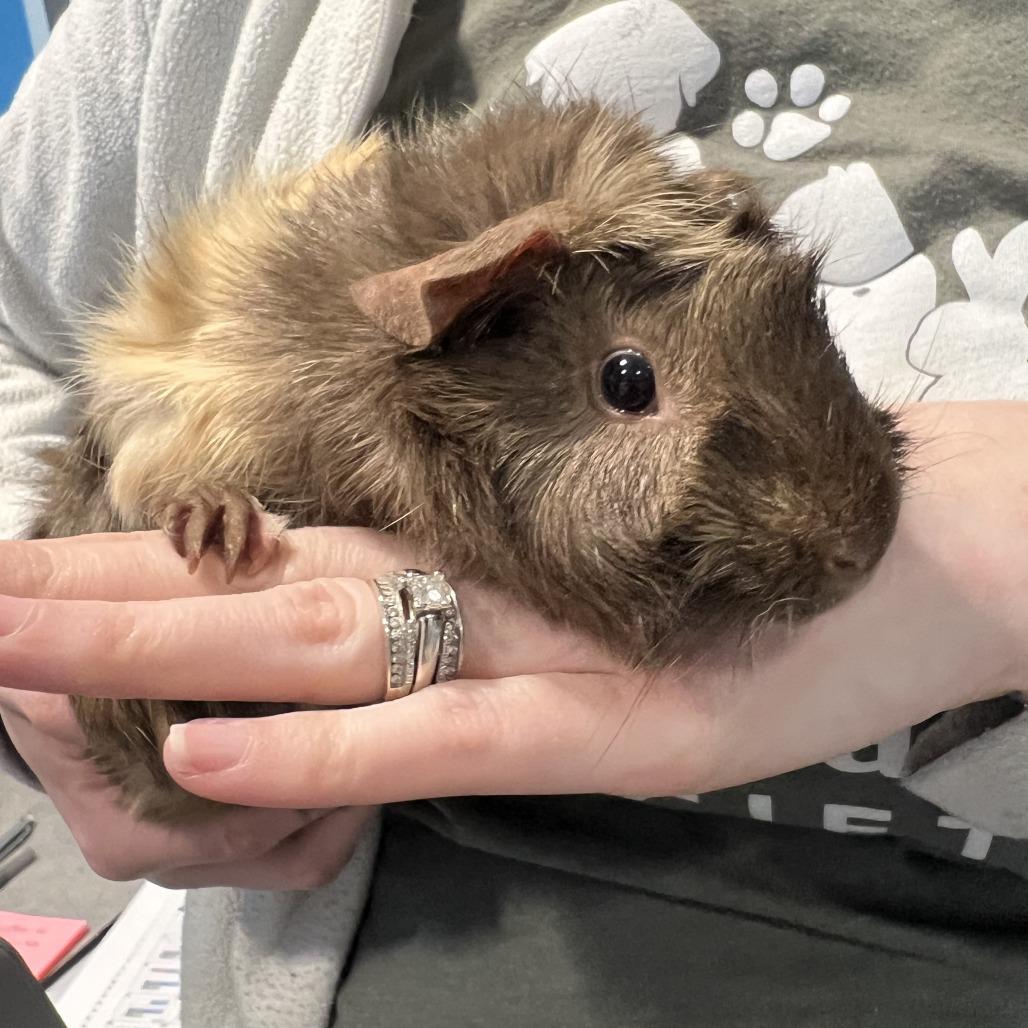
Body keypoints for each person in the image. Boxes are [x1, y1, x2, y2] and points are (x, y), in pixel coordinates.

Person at [1, 1, 1027, 1026]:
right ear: (466, 314)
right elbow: (25, 330)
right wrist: (45, 665)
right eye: (627, 384)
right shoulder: (202, 59)